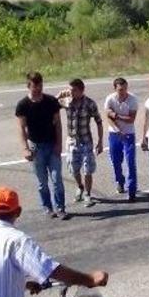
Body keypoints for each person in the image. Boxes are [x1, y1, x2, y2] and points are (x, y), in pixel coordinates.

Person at [15, 72, 68, 220]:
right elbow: (21, 128)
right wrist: (25, 148)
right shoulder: (23, 105)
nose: (38, 89)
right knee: (42, 182)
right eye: (35, 86)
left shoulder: (51, 101)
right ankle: (48, 207)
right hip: (36, 147)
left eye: (40, 85)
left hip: (52, 145)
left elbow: (58, 124)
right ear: (28, 86)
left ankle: (61, 208)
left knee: (57, 179)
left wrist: (59, 144)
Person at [57, 79, 104, 207]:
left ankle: (88, 194)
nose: (70, 92)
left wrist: (100, 141)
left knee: (87, 169)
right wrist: (58, 96)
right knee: (74, 168)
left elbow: (99, 122)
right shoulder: (66, 101)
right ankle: (80, 186)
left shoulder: (89, 104)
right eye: (69, 90)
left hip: (86, 141)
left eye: (73, 90)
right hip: (72, 141)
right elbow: (50, 106)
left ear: (81, 90)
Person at [104, 77, 139, 202]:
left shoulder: (133, 99)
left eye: (124, 89)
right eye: (120, 90)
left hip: (129, 133)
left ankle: (132, 190)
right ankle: (120, 180)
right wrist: (116, 128)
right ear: (115, 89)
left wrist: (116, 115)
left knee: (130, 162)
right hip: (114, 133)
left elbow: (131, 119)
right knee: (116, 160)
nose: (123, 92)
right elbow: (107, 116)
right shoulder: (110, 99)